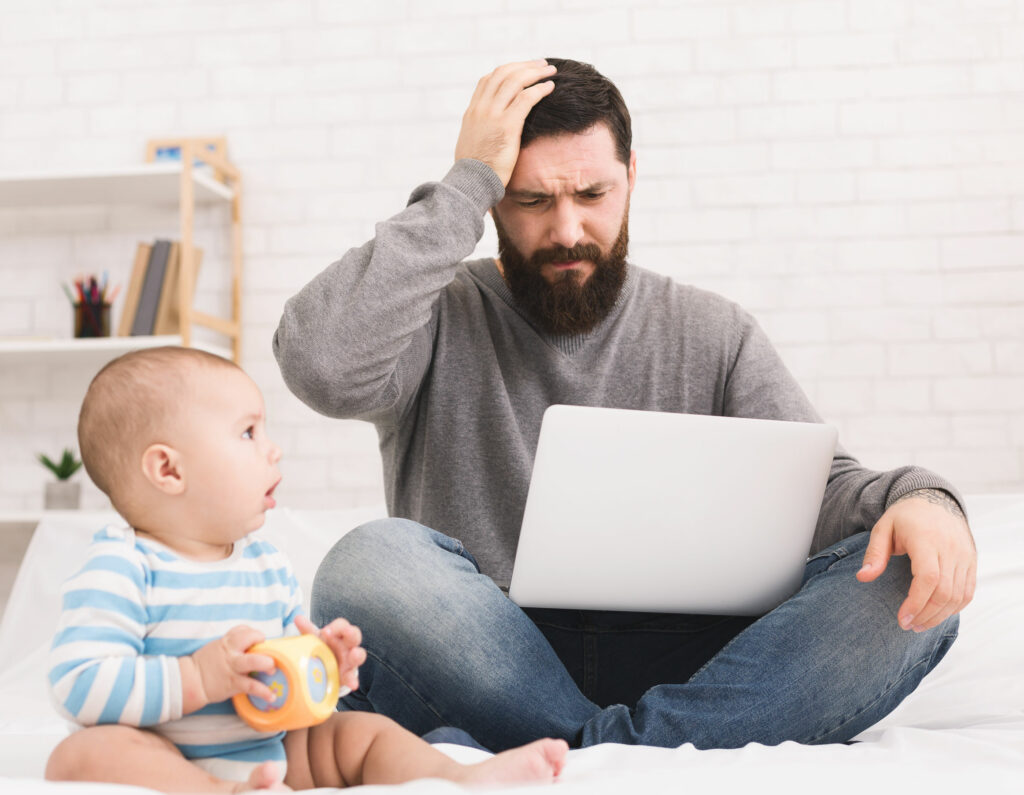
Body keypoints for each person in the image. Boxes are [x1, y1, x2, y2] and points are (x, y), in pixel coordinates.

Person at [273, 58, 977, 752]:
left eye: (592, 194)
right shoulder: (430, 313)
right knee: (369, 561)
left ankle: (595, 749)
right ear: (492, 200)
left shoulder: (712, 330)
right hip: (492, 650)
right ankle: (659, 749)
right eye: (532, 200)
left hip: (694, 656)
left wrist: (922, 499)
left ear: (632, 178)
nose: (568, 229)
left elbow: (818, 493)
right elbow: (321, 363)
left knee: (912, 575)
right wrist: (464, 183)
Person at [44, 346, 568, 792]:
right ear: (169, 469)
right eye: (248, 433)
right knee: (86, 753)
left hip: (272, 755)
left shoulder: (265, 565)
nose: (273, 449)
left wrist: (326, 672)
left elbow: (287, 687)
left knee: (361, 732)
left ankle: (457, 777)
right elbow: (79, 685)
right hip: (168, 762)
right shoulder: (124, 566)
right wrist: (196, 677)